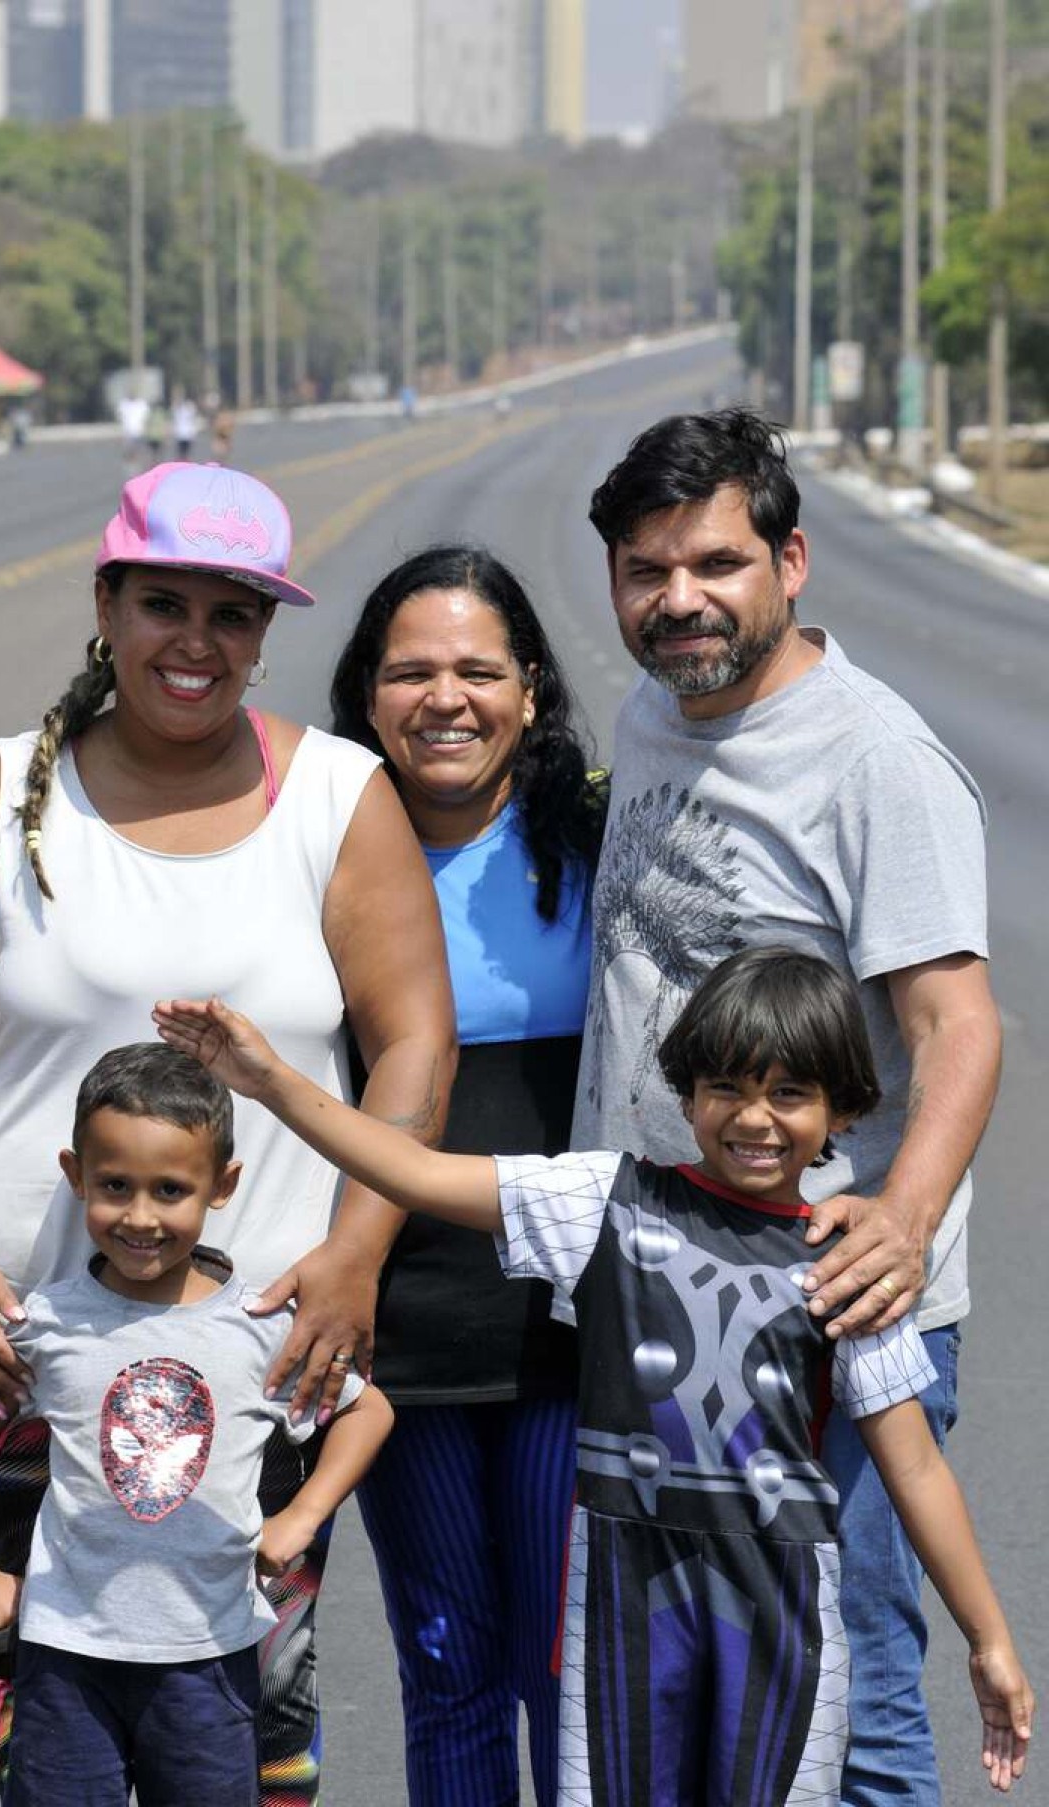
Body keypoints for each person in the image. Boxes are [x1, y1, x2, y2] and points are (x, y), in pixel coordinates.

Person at [0, 458, 456, 1802]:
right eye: (162, 602)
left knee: (251, 1732)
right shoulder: (7, 790)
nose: (195, 641)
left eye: (233, 611)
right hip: (47, 1355)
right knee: (59, 1741)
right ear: (107, 603)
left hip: (259, 1355)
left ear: (265, 632)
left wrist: (359, 1248)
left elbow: (415, 1039)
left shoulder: (337, 797)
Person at [153, 950, 1034, 1806]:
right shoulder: (605, 1202)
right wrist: (269, 1081)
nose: (755, 1118)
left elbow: (913, 1466)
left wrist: (987, 1634)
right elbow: (415, 1169)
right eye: (727, 1086)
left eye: (790, 1093)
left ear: (842, 1110)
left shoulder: (848, 1266)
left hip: (784, 1623)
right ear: (686, 1094)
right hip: (623, 1609)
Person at [573, 407, 1003, 1805]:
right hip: (668, 1292)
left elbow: (957, 1021)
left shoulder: (872, 757)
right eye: (647, 570)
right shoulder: (655, 709)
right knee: (700, 1687)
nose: (680, 598)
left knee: (854, 1678)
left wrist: (905, 1214)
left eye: (715, 562)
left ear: (792, 559)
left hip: (830, 1311)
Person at [0, 1042, 393, 1807]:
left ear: (223, 1186)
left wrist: (301, 1517)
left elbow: (367, 1410)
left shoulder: (259, 1327)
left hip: (210, 1659)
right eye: (114, 1186)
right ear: (75, 1174)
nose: (140, 1216)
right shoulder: (43, 1323)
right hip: (63, 1655)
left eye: (170, 1189)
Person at [329, 546, 606, 1805]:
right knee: (448, 1668)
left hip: (578, 1320)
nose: (447, 698)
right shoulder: (316, 848)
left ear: (532, 690)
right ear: (368, 695)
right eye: (411, 671)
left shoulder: (609, 841)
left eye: (479, 669)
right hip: (400, 1325)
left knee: (568, 1671)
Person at [173, 393, 201, 460]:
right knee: (183, 452)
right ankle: (184, 462)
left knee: (183, 452)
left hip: (186, 433)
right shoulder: (181, 407)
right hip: (182, 433)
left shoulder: (188, 407)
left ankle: (183, 462)